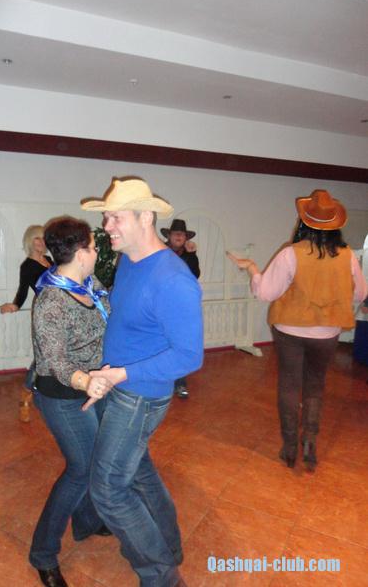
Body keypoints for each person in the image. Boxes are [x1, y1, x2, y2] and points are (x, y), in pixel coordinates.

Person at [81, 177, 204, 587]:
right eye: (106, 218)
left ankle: (162, 576)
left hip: (139, 396)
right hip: (117, 386)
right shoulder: (129, 261)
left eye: (116, 218)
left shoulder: (173, 279)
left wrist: (122, 373)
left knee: (108, 489)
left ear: (145, 217)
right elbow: (129, 321)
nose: (107, 227)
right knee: (139, 474)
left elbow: (189, 356)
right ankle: (168, 546)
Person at [227, 189, 367, 472]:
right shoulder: (347, 256)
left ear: (304, 222)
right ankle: (310, 444)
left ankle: (290, 446)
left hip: (289, 330)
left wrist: (252, 269)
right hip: (327, 333)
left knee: (290, 385)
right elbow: (360, 294)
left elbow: (266, 293)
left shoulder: (291, 253)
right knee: (315, 386)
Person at [28, 216, 112, 587]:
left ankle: (87, 520)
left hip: (98, 386)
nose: (96, 253)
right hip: (62, 395)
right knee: (81, 469)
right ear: (80, 253)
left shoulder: (92, 285)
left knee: (96, 460)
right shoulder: (51, 299)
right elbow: (55, 361)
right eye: (93, 247)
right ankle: (43, 554)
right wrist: (87, 381)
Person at [0, 225, 52, 421]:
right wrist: (14, 305)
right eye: (37, 238)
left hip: (60, 310)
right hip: (43, 311)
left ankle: (45, 397)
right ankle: (26, 394)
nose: (41, 242)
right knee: (43, 355)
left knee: (53, 355)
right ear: (30, 241)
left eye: (43, 238)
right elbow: (22, 291)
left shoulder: (50, 260)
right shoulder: (27, 266)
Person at [161, 218, 201, 398]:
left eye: (182, 234)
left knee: (179, 344)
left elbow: (195, 274)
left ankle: (180, 383)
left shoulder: (189, 254)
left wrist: (192, 255)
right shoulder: (160, 251)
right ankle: (163, 381)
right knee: (161, 343)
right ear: (169, 236)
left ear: (186, 238)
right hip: (161, 304)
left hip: (180, 305)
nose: (179, 236)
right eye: (175, 233)